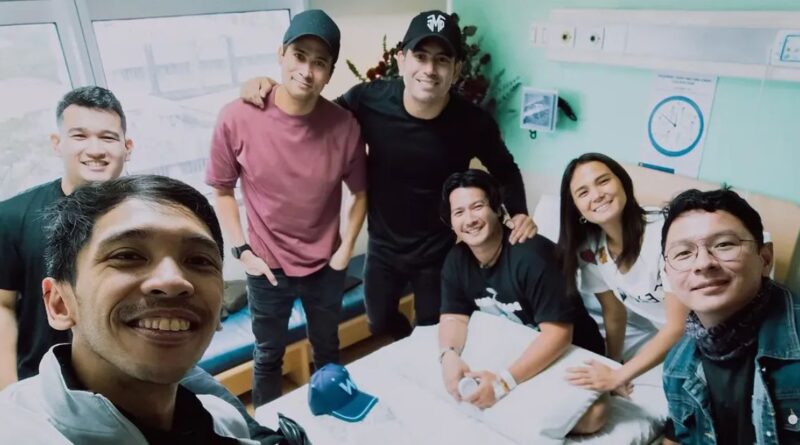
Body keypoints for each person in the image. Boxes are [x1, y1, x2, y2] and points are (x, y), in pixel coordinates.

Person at [239, 10, 536, 341]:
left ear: (456, 70)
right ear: (401, 59)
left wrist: (519, 212)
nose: (429, 69)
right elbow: (315, 115)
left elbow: (506, 169)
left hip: (438, 250)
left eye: (441, 60)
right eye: (420, 56)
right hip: (383, 247)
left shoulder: (473, 122)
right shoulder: (369, 99)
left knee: (432, 333)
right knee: (379, 323)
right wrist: (271, 89)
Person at [0, 86, 271, 441]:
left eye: (108, 137)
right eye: (127, 256)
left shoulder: (157, 207)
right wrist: (9, 392)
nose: (95, 149)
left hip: (152, 350)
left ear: (127, 147)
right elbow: (3, 306)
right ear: (57, 143)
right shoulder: (13, 217)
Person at [206, 9, 368, 407]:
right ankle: (267, 429)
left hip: (325, 265)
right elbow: (222, 190)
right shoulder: (237, 117)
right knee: (267, 356)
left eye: (320, 62)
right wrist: (243, 252)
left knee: (328, 351)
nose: (307, 71)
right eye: (299, 56)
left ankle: (332, 418)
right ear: (281, 54)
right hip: (267, 267)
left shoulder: (344, 126)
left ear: (329, 73)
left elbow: (360, 193)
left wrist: (345, 251)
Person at [437, 169, 607, 435]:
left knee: (594, 417)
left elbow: (559, 335)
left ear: (497, 209)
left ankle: (505, 402)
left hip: (571, 351)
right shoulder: (456, 260)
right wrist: (448, 355)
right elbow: (454, 317)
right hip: (519, 347)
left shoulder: (531, 255)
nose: (469, 220)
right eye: (459, 212)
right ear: (450, 221)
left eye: (477, 207)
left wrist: (502, 385)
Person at [659, 188, 796, 445]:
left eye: (724, 244)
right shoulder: (676, 369)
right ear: (667, 274)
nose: (703, 263)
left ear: (765, 258)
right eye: (683, 253)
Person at [559, 153, 689, 396]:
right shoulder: (591, 250)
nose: (597, 195)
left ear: (623, 183)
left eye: (603, 181)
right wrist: (613, 362)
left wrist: (618, 376)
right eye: (583, 192)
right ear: (576, 207)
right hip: (671, 340)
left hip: (706, 338)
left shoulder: (665, 233)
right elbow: (614, 312)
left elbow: (678, 326)